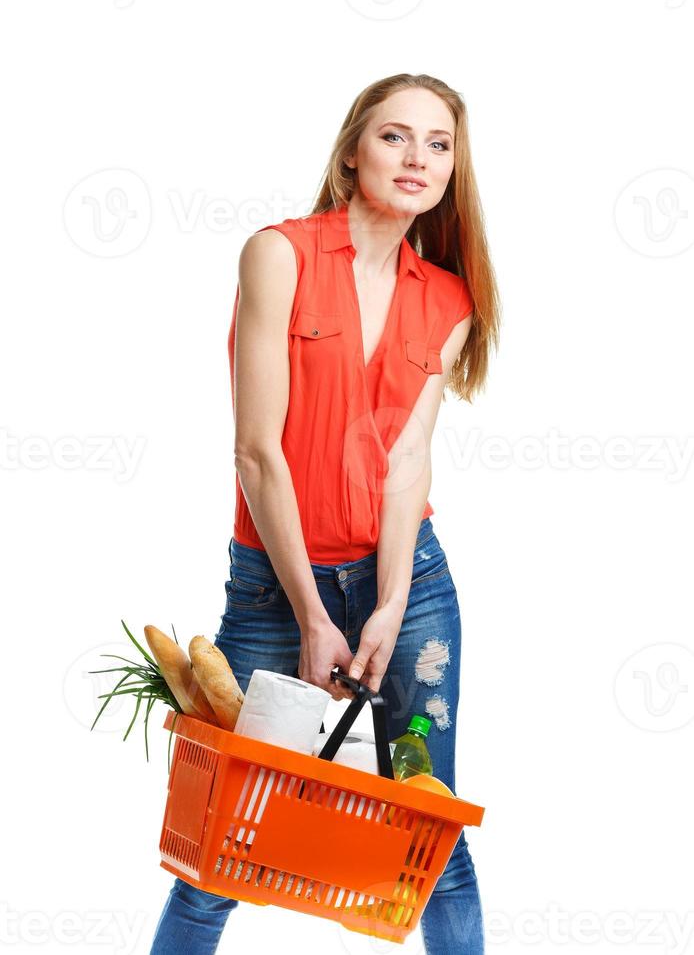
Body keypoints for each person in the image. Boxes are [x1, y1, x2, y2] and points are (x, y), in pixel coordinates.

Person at [150, 71, 500, 955]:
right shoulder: (280, 253)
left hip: (408, 585)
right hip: (276, 590)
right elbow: (257, 453)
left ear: (454, 171)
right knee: (221, 846)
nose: (417, 158)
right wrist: (314, 615)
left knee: (433, 835)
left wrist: (385, 608)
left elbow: (406, 462)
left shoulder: (449, 299)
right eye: (395, 136)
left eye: (439, 144)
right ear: (353, 152)